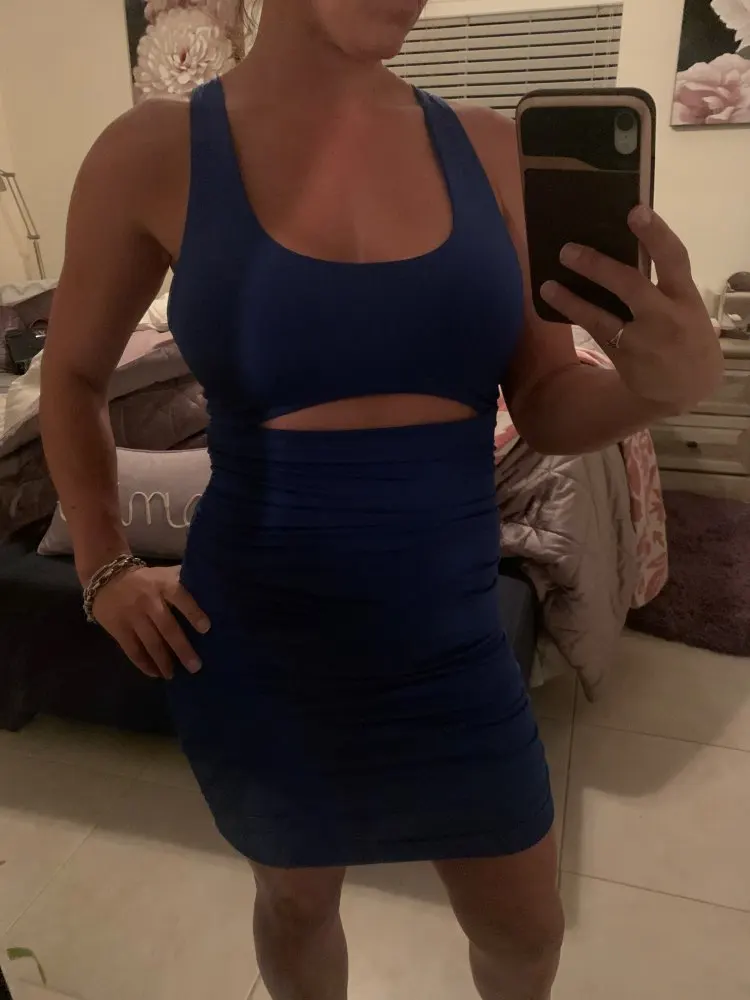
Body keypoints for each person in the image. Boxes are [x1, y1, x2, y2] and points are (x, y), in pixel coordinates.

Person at [39, 1, 721, 998]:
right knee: (296, 903)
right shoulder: (150, 152)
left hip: (452, 641)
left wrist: (652, 391)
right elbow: (70, 379)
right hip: (263, 647)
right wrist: (104, 567)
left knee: (527, 929)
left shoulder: (492, 151)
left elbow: (543, 398)